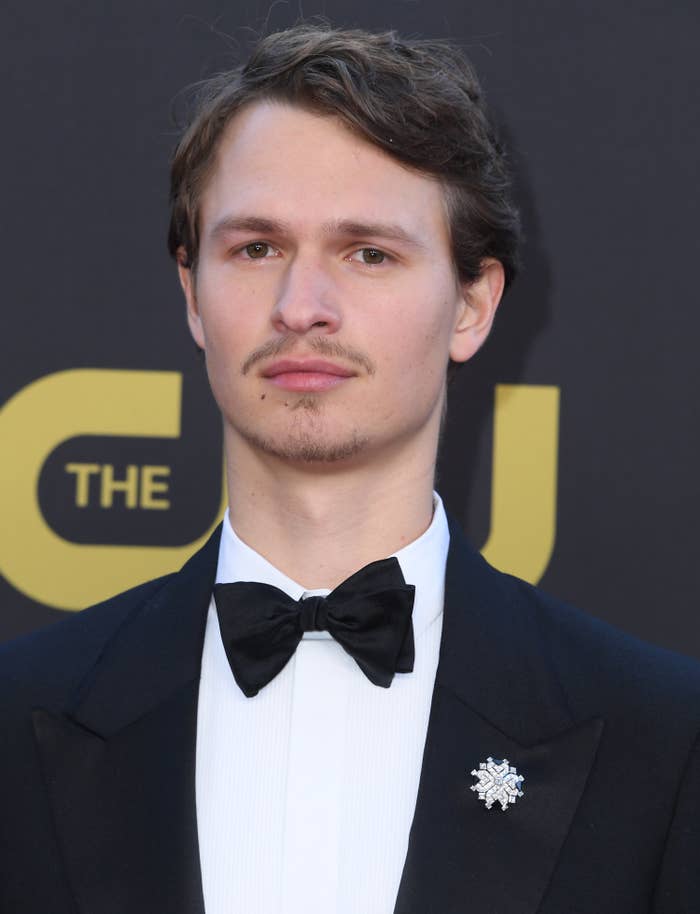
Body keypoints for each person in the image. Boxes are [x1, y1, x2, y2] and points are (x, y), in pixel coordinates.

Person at [1, 22, 699, 914]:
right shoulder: (19, 721)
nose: (302, 308)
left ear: (472, 305)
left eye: (368, 253)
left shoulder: (661, 741)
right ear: (192, 293)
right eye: (257, 248)